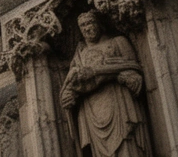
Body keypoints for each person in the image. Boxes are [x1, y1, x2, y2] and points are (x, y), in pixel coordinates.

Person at [59, 12, 150, 157]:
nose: (87, 28)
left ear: (99, 24)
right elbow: (69, 85)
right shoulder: (79, 56)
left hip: (118, 101)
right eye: (82, 26)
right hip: (91, 110)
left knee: (126, 146)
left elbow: (134, 67)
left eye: (90, 23)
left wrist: (106, 73)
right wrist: (68, 96)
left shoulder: (117, 42)